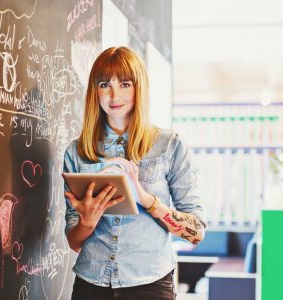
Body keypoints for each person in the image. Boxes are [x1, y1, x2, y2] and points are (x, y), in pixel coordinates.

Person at [63, 46, 206, 300]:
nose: (114, 94)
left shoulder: (170, 145)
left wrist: (143, 197)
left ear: (138, 88)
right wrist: (87, 222)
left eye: (125, 84)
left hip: (150, 284)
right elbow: (74, 242)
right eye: (105, 84)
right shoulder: (77, 151)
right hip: (90, 283)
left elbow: (196, 233)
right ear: (95, 91)